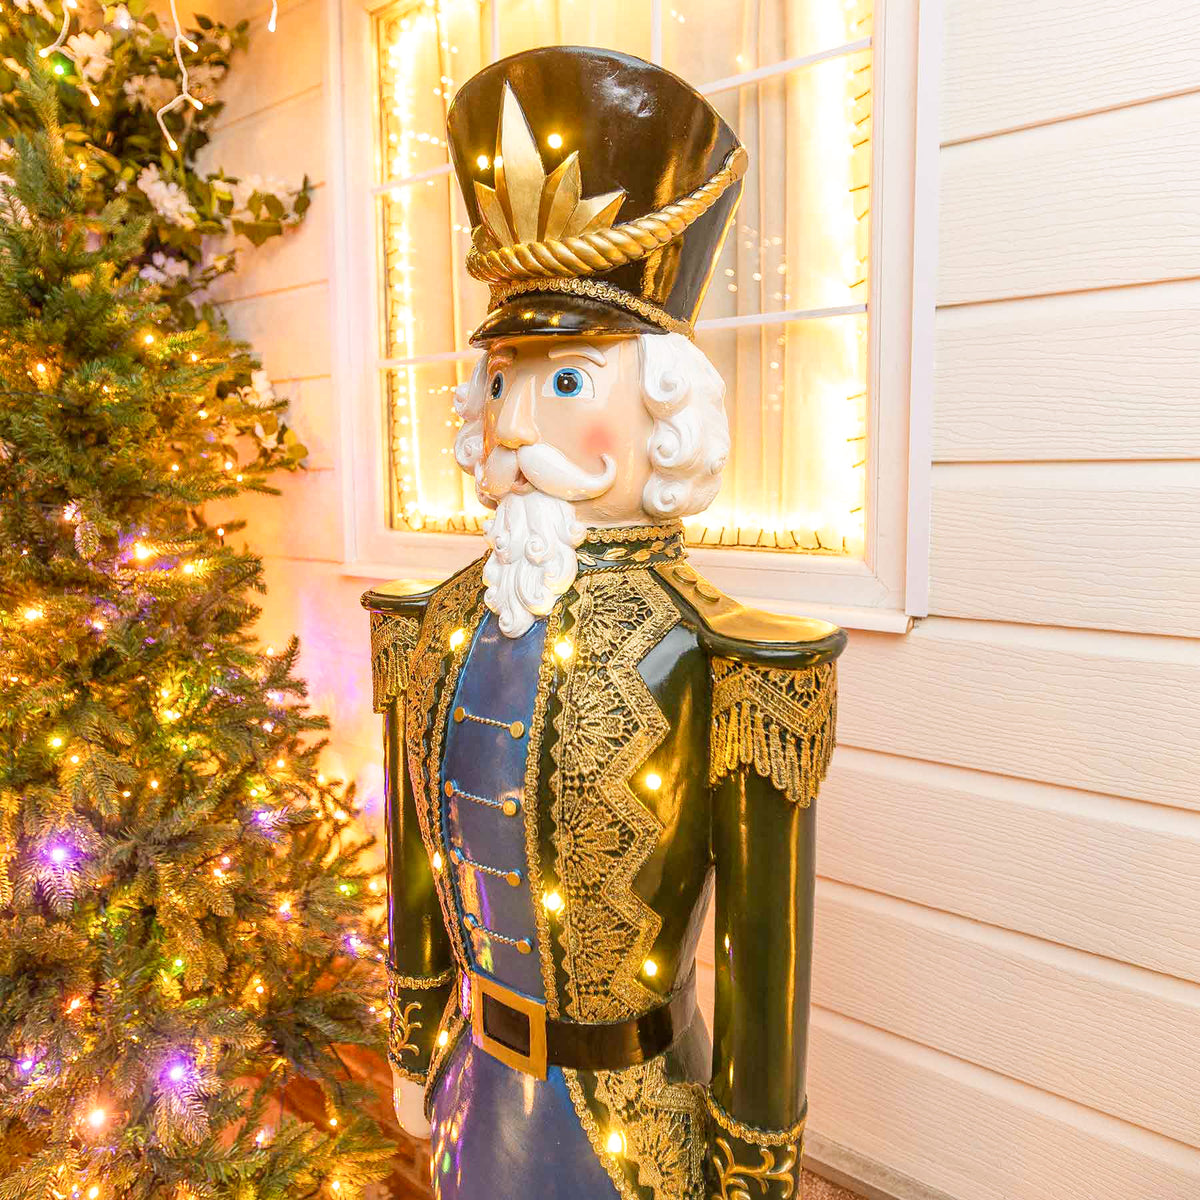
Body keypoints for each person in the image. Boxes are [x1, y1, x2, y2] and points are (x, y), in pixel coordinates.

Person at [364, 45, 845, 1200]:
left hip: (631, 1137)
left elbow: (761, 956)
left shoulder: (726, 659)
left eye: (567, 381)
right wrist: (415, 1031)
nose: (516, 424)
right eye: (503, 380)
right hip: (475, 1098)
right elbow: (415, 857)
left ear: (662, 406)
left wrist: (755, 1162)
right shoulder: (432, 622)